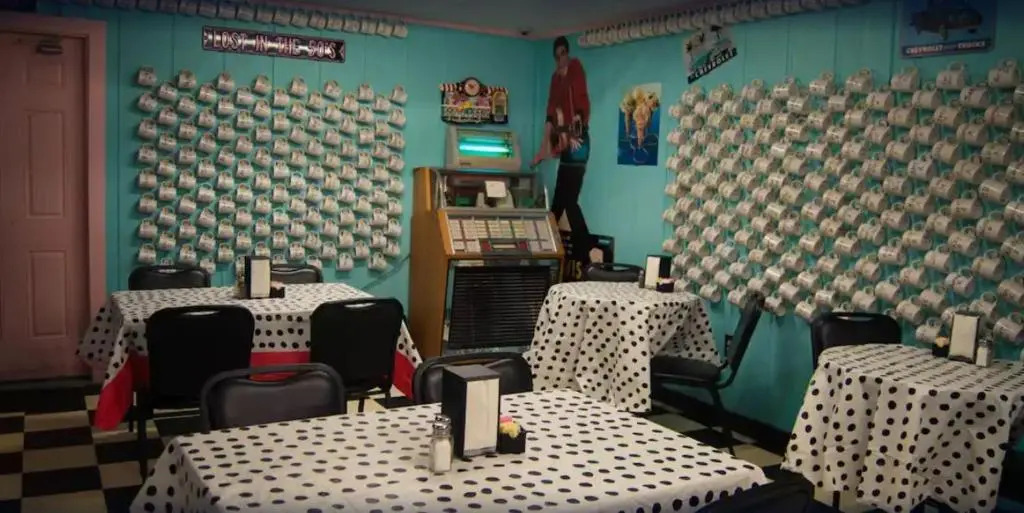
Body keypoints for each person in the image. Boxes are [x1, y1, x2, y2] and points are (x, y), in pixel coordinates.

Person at [532, 36, 596, 264]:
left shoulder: (575, 69)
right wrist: (545, 147)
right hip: (566, 142)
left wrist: (575, 133)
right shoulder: (555, 79)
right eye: (557, 56)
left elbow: (581, 103)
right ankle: (545, 248)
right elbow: (551, 112)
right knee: (559, 202)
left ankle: (586, 251)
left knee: (568, 200)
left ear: (567, 53)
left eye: (563, 54)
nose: (561, 59)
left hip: (577, 141)